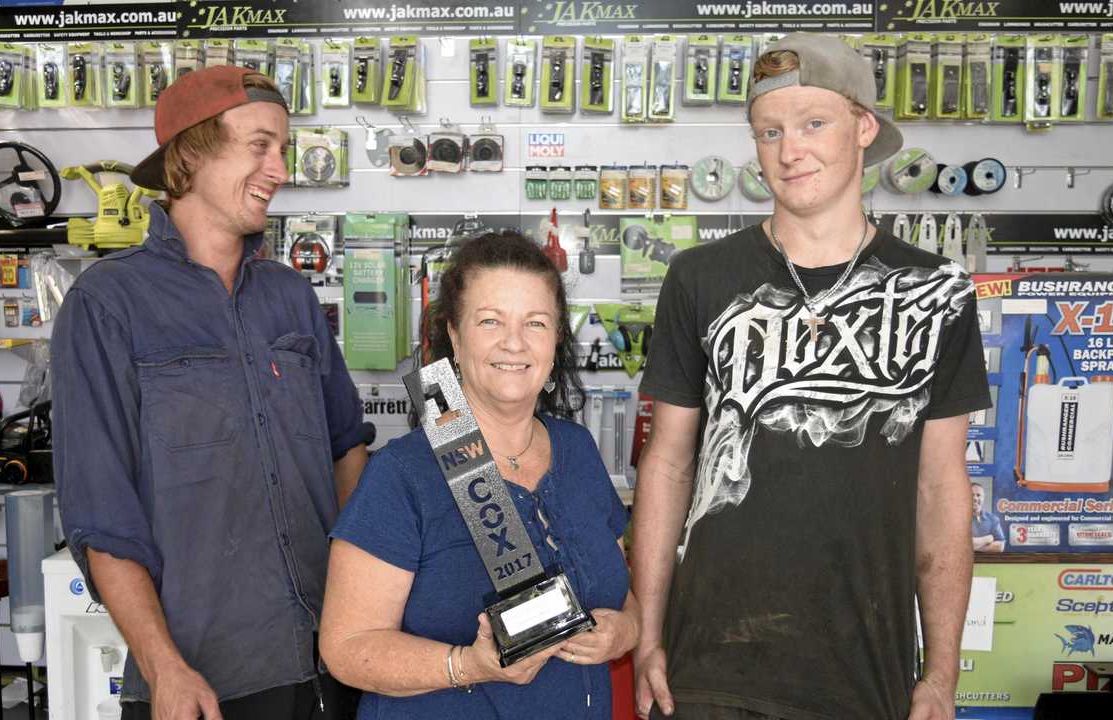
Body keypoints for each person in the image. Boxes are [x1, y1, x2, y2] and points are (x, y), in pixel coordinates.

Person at [631, 34, 991, 720]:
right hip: (705, 671)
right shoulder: (699, 278)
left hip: (864, 673)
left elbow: (942, 489)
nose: (788, 150)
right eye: (769, 131)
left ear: (863, 128)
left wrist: (940, 674)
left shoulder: (938, 290)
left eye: (812, 124)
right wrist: (649, 636)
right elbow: (668, 464)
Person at [53, 66, 370, 720]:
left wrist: (358, 602)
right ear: (190, 153)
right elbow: (101, 517)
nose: (280, 168)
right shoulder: (108, 305)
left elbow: (347, 450)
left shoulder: (291, 297)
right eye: (260, 145)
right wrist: (162, 666)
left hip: (330, 665)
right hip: (203, 684)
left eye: (283, 148)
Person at [319, 232, 639, 719]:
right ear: (454, 333)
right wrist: (469, 664)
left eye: (536, 322)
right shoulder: (403, 474)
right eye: (490, 321)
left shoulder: (576, 450)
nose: (514, 342)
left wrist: (626, 631)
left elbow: (622, 592)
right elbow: (345, 647)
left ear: (557, 338)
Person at [971, 483, 1006, 553]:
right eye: (971, 495)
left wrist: (973, 546)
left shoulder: (993, 519)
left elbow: (1000, 546)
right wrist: (987, 539)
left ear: (983, 498)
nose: (975, 498)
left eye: (978, 495)